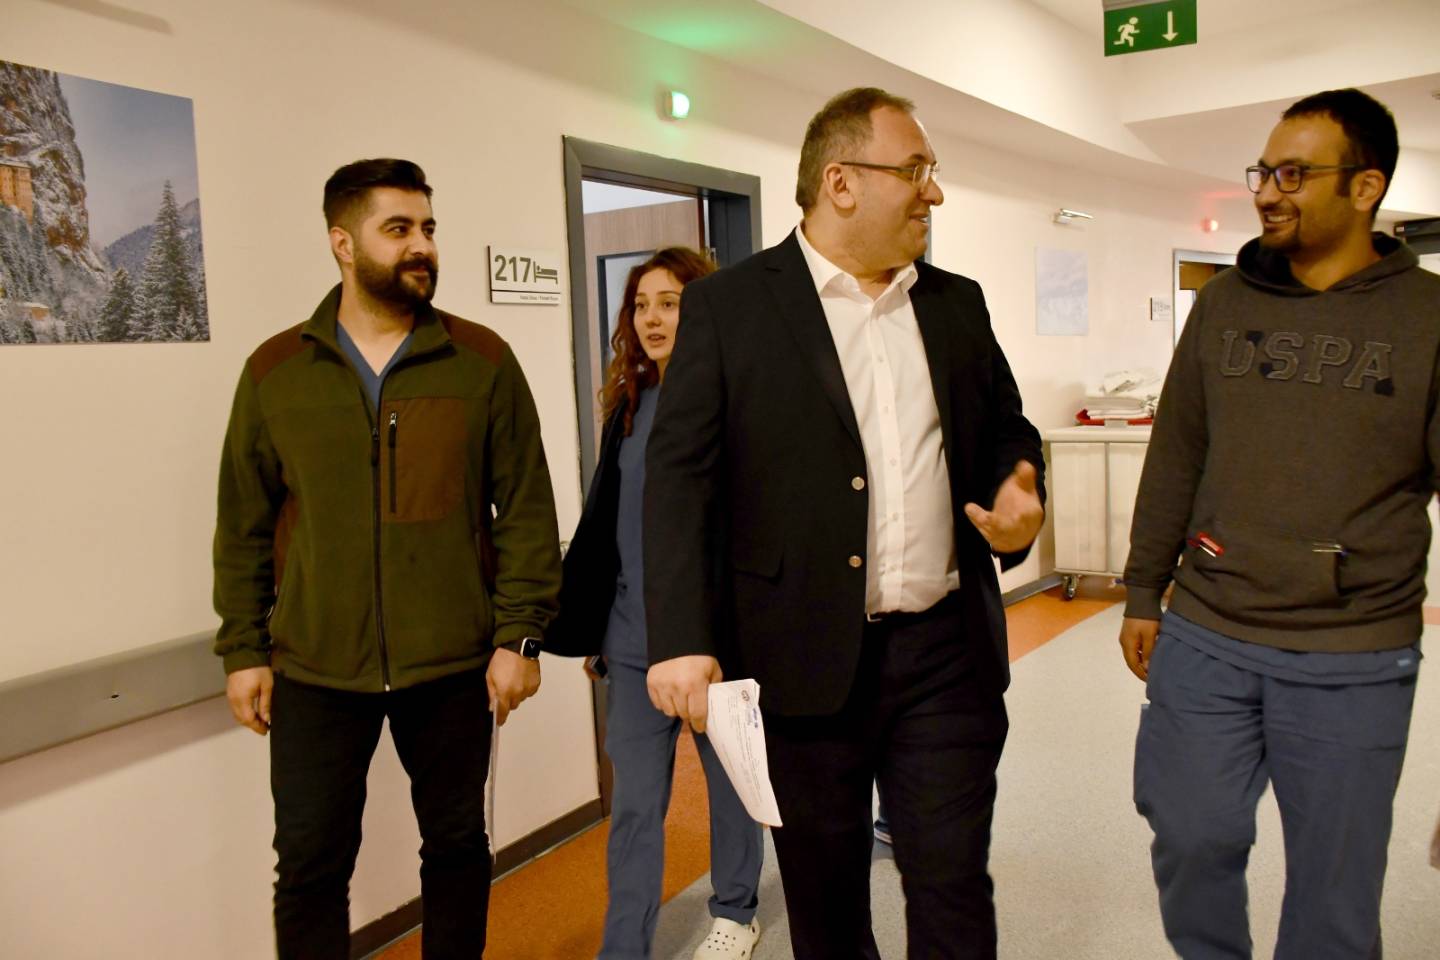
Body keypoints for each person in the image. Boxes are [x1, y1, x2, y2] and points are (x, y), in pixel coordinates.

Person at [642, 88, 1046, 959]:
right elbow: (679, 482)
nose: (934, 192)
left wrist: (1019, 486)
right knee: (825, 907)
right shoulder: (732, 308)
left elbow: (1005, 430)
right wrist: (679, 636)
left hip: (945, 655)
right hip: (797, 656)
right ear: (841, 182)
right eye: (916, 170)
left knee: (951, 884)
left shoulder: (956, 304)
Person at [212, 158, 561, 959]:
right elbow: (242, 525)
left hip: (452, 664)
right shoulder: (275, 372)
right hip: (315, 668)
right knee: (308, 865)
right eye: (397, 229)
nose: (421, 246)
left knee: (456, 846)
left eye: (427, 228)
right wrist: (243, 650)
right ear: (342, 243)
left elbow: (526, 512)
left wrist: (520, 637)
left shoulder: (482, 362)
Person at [1121, 88, 1438, 959]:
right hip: (1209, 628)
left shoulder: (1428, 317)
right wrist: (1144, 588)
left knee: (1336, 889)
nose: (1266, 192)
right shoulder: (1224, 302)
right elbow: (1178, 452)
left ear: (1366, 187)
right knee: (1191, 833)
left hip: (1354, 649)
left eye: (1294, 174)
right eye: (1263, 172)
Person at [549, 246, 764, 960]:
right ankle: (624, 945)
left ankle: (735, 911)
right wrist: (596, 631)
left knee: (730, 788)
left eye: (669, 303)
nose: (651, 319)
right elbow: (607, 527)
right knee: (635, 806)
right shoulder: (629, 408)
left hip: (714, 642)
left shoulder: (734, 403)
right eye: (641, 305)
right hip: (632, 642)